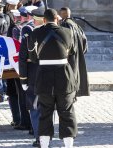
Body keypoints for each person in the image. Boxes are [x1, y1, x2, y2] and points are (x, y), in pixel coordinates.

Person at [28, 8, 77, 148]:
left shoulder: (35, 32)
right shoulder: (68, 32)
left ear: (44, 20)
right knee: (67, 112)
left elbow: (32, 57)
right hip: (64, 76)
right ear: (57, 19)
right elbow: (72, 52)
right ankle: (68, 146)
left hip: (44, 76)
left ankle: (44, 145)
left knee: (45, 112)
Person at [20, 6, 46, 147]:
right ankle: (47, 135)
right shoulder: (54, 35)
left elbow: (23, 59)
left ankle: (39, 137)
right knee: (47, 108)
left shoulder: (29, 37)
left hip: (33, 77)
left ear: (35, 21)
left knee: (35, 109)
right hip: (50, 77)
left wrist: (23, 78)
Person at [59, 7, 90, 97]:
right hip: (78, 56)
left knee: (69, 81)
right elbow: (85, 45)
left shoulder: (65, 25)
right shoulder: (77, 25)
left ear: (62, 14)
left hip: (70, 58)